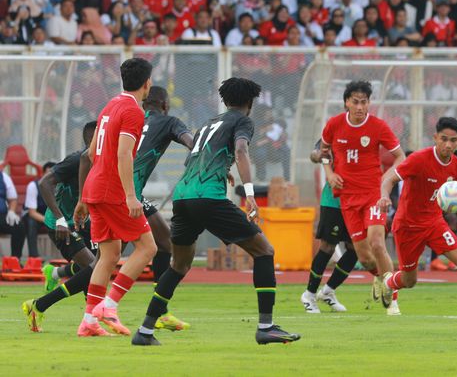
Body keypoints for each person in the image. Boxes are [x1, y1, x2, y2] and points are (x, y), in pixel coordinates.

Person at [132, 78, 300, 346]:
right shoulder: (242, 121)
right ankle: (266, 327)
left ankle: (145, 331)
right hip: (207, 197)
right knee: (264, 251)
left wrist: (223, 171)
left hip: (183, 197)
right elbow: (241, 149)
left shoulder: (209, 123)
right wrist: (249, 194)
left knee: (178, 265)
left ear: (225, 100)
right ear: (250, 102)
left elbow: (192, 158)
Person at [378, 117, 457, 322]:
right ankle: (389, 283)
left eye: (453, 140)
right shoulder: (419, 159)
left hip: (435, 223)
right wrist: (384, 196)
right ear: (435, 138)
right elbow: (389, 179)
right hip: (408, 225)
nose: (448, 144)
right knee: (409, 280)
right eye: (443, 139)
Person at [73, 58, 158, 337]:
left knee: (108, 255)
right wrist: (131, 196)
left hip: (95, 188)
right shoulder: (134, 111)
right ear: (147, 83)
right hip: (113, 190)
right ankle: (109, 306)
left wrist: (84, 197)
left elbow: (90, 151)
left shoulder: (110, 105)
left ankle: (89, 321)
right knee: (148, 248)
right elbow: (123, 153)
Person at [320, 80, 405, 309]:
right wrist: (329, 172)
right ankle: (380, 278)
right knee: (365, 257)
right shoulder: (334, 125)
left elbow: (401, 157)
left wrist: (386, 180)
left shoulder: (378, 126)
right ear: (347, 102)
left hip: (373, 196)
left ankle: (392, 301)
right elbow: (324, 152)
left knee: (377, 243)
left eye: (364, 102)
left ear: (369, 104)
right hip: (347, 198)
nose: (360, 107)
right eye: (355, 102)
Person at [22, 122, 98, 332]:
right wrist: (60, 219)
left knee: (95, 268)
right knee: (94, 267)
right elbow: (45, 183)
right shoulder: (76, 160)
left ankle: (90, 318)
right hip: (61, 225)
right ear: (92, 139)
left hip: (84, 221)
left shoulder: (101, 159)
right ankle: (38, 305)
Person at [131, 86, 195, 330]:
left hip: (118, 188)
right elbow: (192, 143)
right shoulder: (169, 122)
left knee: (163, 242)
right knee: (106, 257)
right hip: (127, 193)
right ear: (165, 104)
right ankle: (45, 303)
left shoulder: (132, 118)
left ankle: (160, 311)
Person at [300, 140, 361, 314]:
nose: (360, 110)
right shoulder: (334, 132)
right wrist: (319, 155)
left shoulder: (368, 132)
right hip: (333, 201)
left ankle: (328, 291)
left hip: (356, 202)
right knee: (327, 247)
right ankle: (309, 294)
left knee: (355, 249)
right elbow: (315, 153)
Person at [22, 162, 55, 258]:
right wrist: (50, 221)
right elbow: (32, 213)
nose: (51, 177)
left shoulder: (59, 186)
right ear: (43, 174)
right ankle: (34, 257)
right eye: (48, 174)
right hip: (36, 216)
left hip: (51, 216)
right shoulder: (33, 186)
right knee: (31, 222)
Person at [0, 159, 23, 258]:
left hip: (2, 216)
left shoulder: (3, 177)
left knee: (19, 226)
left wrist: (11, 211)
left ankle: (15, 260)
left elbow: (12, 199)